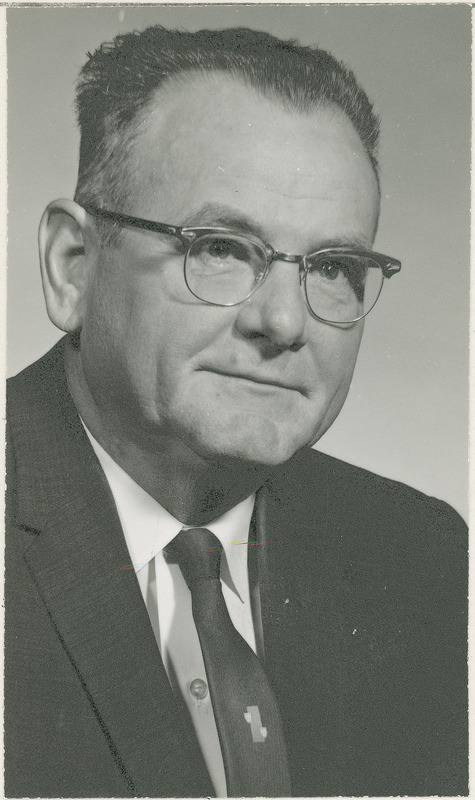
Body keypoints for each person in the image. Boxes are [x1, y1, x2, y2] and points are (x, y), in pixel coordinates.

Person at [5, 25, 467, 798]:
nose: (284, 324)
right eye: (219, 247)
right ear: (72, 268)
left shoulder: (424, 559)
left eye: (332, 266)